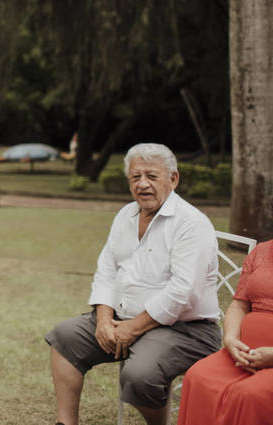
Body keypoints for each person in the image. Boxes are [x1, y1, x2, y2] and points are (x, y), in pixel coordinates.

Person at [45, 143, 221, 425]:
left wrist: (132, 328)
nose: (143, 184)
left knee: (139, 374)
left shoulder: (192, 223)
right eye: (136, 177)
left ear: (173, 179)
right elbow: (106, 270)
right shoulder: (125, 215)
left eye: (152, 176)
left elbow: (183, 292)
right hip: (121, 320)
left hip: (186, 330)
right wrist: (104, 320)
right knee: (64, 337)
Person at [177, 239, 273, 423]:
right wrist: (230, 339)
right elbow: (239, 305)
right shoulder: (262, 251)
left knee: (251, 395)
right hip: (244, 352)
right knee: (198, 377)